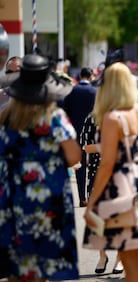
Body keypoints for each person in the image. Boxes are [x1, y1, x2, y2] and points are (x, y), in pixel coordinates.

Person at [82, 62, 138, 282]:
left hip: (122, 186)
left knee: (131, 258)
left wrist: (91, 202)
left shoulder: (113, 118)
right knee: (136, 259)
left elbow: (107, 163)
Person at [0, 53, 81, 280]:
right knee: (46, 265)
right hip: (50, 198)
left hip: (14, 198)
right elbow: (74, 156)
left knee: (20, 266)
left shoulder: (6, 118)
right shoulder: (54, 117)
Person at [80, 113, 124, 275]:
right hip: (97, 173)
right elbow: (85, 147)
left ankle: (120, 259)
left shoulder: (124, 116)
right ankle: (102, 255)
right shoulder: (92, 118)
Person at [63, 67, 96, 207]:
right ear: (91, 76)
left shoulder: (71, 91)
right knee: (94, 164)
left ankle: (82, 197)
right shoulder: (95, 92)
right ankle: (91, 194)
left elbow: (65, 113)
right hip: (93, 132)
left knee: (80, 163)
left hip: (76, 132)